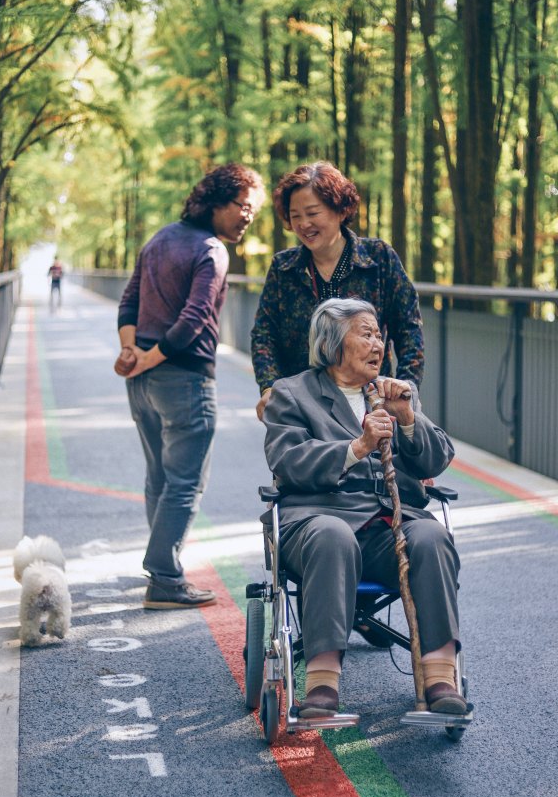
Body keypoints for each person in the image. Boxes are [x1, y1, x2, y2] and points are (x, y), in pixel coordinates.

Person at [263, 297, 467, 719]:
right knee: (332, 535)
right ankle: (321, 685)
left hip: (387, 529)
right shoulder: (292, 393)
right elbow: (287, 461)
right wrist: (356, 448)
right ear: (334, 342)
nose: (378, 344)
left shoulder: (391, 392)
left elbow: (436, 459)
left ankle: (441, 678)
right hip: (318, 523)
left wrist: (408, 417)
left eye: (379, 334)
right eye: (366, 333)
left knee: (431, 536)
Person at [117, 163, 265, 609]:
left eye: (252, 212)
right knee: (185, 483)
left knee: (159, 478)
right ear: (218, 202)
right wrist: (151, 355)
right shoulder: (211, 250)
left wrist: (131, 352)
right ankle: (164, 576)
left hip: (141, 381)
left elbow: (129, 301)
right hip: (183, 378)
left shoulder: (160, 238)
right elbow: (195, 318)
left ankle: (163, 567)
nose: (247, 217)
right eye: (243, 207)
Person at [251, 161, 424, 421]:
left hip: (370, 406)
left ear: (340, 210)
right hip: (302, 407)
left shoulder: (379, 259)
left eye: (312, 213)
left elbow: (409, 330)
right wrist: (269, 386)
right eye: (295, 215)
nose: (303, 224)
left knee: (371, 461)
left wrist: (405, 389)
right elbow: (264, 335)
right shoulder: (283, 268)